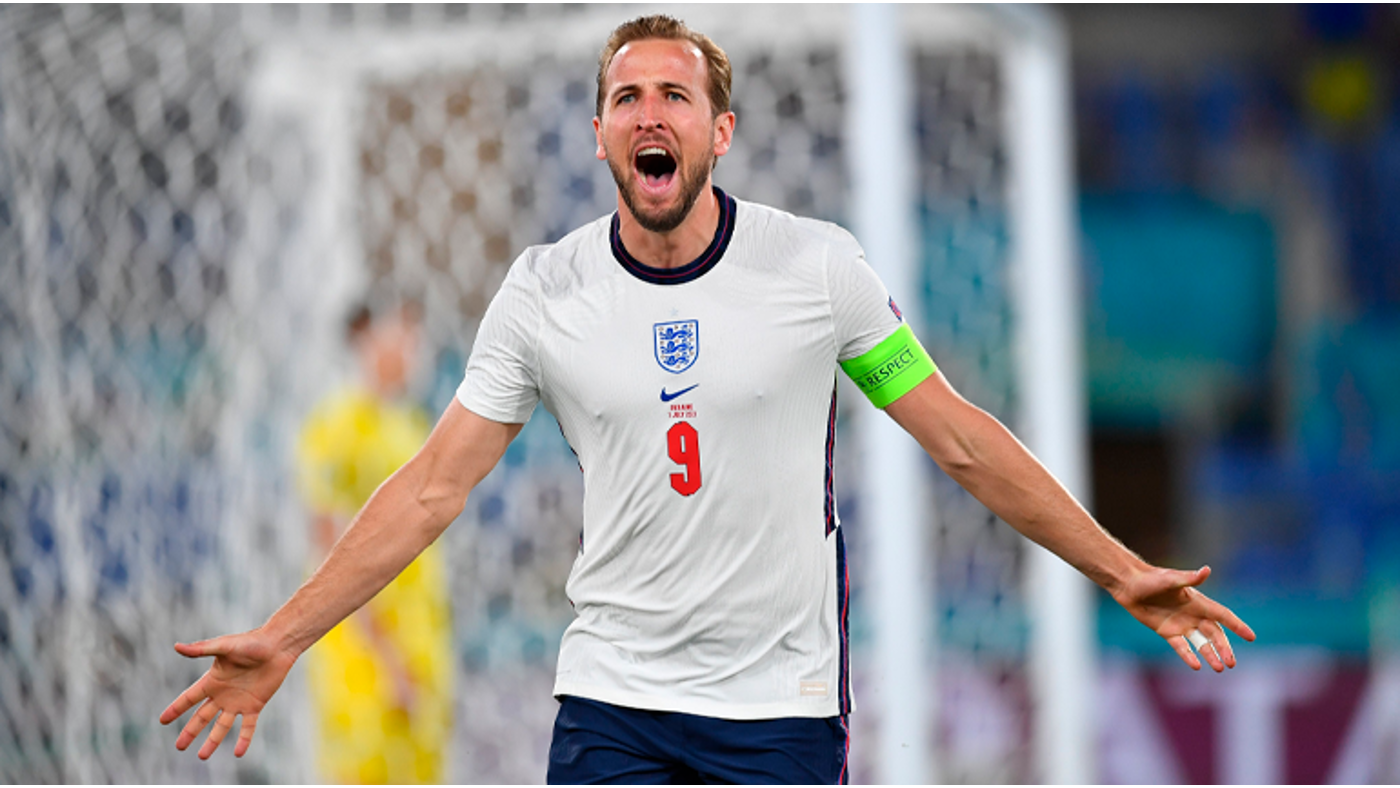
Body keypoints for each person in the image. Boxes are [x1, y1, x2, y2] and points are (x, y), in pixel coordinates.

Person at [161, 15, 1256, 784]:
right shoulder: (542, 290)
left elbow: (959, 439)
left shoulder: (816, 269)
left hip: (777, 708)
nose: (651, 113)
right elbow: (433, 487)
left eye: (674, 95)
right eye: (626, 97)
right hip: (612, 699)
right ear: (599, 134)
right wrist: (286, 636)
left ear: (719, 131)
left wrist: (1120, 570)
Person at [294, 300, 452, 783]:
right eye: (399, 334)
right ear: (365, 338)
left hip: (418, 640)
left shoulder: (411, 425)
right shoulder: (337, 427)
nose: (412, 349)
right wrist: (386, 658)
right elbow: (330, 549)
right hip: (363, 655)